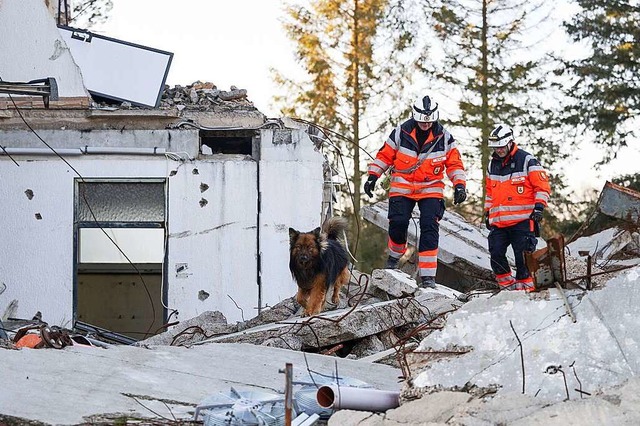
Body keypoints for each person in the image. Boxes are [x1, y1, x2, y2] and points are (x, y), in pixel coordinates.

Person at [364, 95, 467, 288]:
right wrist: (373, 176)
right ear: (415, 116)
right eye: (422, 121)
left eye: (429, 122)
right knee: (398, 222)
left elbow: (454, 163)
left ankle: (428, 278)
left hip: (431, 188)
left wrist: (459, 185)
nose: (425, 125)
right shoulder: (401, 132)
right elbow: (385, 155)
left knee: (429, 226)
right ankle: (394, 258)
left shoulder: (444, 137)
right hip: (402, 184)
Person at [484, 123, 551, 291]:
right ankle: (507, 289)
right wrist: (487, 213)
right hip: (499, 223)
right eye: (495, 147)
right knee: (496, 254)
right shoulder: (492, 165)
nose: (498, 150)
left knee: (523, 259)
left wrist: (538, 208)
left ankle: (527, 291)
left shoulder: (527, 160)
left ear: (509, 142)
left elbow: (542, 187)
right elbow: (490, 193)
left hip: (522, 221)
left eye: (501, 146)